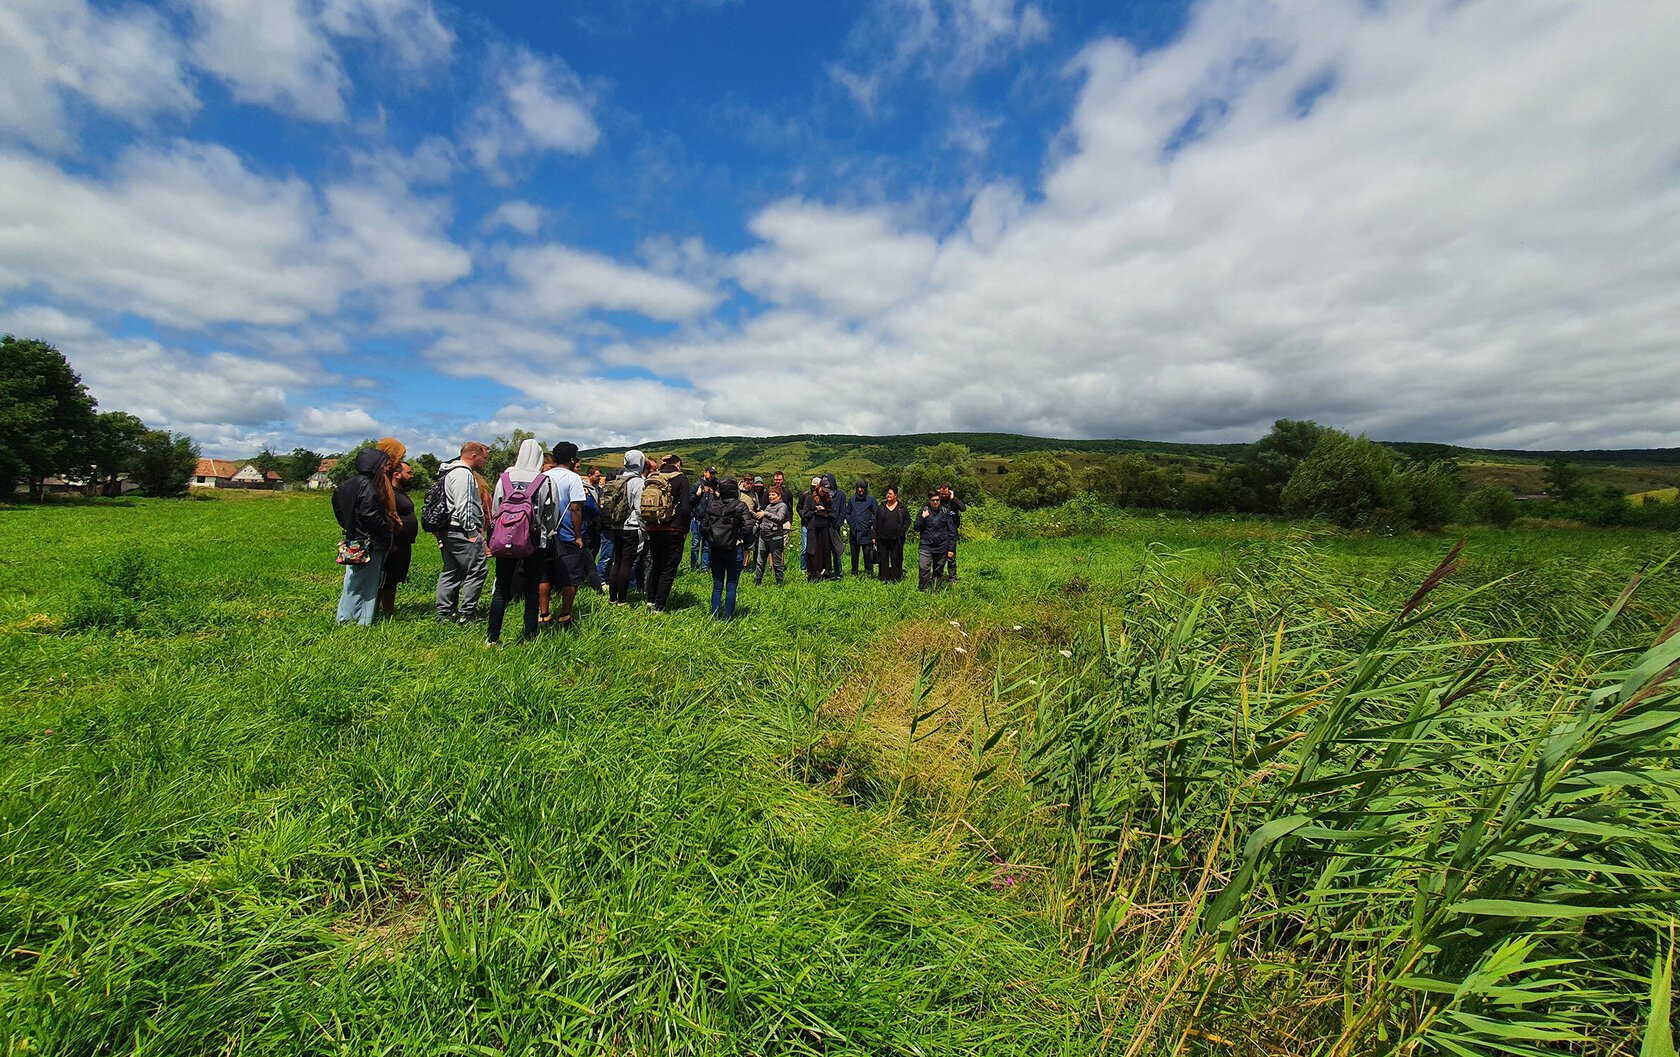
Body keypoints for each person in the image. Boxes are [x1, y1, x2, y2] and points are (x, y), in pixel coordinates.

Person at [484, 439, 558, 646]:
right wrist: (546, 530)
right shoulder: (545, 480)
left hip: (506, 538)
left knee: (501, 589)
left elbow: (496, 509)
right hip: (535, 539)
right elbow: (552, 512)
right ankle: (529, 636)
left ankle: (492, 637)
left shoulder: (504, 479)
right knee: (532, 589)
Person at [332, 446, 399, 625]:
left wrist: (349, 526)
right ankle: (358, 620)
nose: (387, 469)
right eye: (384, 465)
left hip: (353, 538)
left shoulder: (346, 484)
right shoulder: (366, 485)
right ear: (374, 465)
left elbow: (339, 509)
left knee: (353, 580)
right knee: (366, 583)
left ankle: (346, 616)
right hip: (370, 542)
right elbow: (370, 513)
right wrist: (385, 530)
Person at [435, 441, 490, 624]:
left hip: (450, 530)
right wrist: (471, 532)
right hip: (461, 530)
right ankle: (467, 614)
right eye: (484, 458)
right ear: (474, 456)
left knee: (452, 570)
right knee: (477, 570)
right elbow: (464, 505)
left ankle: (444, 613)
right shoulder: (463, 475)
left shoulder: (450, 472)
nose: (485, 462)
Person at [542, 441, 591, 629]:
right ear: (572, 459)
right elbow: (576, 507)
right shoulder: (573, 478)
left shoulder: (543, 476)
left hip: (545, 534)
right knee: (570, 577)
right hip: (567, 533)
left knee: (544, 575)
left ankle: (544, 615)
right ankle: (565, 615)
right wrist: (578, 536)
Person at [642, 454, 693, 614]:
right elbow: (685, 508)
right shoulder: (681, 479)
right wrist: (685, 530)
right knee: (668, 568)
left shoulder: (653, 477)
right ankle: (659, 606)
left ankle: (650, 601)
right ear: (678, 464)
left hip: (653, 526)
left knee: (655, 565)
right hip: (673, 528)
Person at [700, 476, 754, 619]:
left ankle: (715, 617)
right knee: (731, 585)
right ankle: (729, 617)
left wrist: (711, 540)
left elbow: (703, 527)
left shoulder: (712, 505)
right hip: (734, 549)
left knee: (717, 585)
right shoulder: (740, 506)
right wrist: (743, 541)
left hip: (715, 549)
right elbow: (748, 528)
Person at [377, 457, 419, 617]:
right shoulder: (390, 493)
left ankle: (389, 611)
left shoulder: (400, 493)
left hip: (404, 543)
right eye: (408, 472)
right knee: (386, 580)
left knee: (393, 580)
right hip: (395, 543)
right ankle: (378, 612)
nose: (412, 475)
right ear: (396, 475)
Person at [607, 450, 649, 606]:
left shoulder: (618, 479)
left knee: (617, 562)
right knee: (626, 563)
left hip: (615, 525)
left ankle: (612, 598)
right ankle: (622, 600)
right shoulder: (638, 482)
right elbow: (639, 510)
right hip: (631, 527)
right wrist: (645, 531)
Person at [914, 490, 958, 592]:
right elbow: (916, 528)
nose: (935, 502)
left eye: (937, 500)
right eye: (933, 500)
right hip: (926, 546)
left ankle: (936, 589)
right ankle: (923, 589)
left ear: (940, 500)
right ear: (929, 501)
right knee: (924, 568)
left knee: (938, 570)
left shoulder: (945, 512)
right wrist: (922, 518)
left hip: (941, 546)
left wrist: (951, 549)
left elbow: (952, 532)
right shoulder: (924, 511)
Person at [798, 476, 835, 582]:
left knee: (825, 550)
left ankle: (825, 572)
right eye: (823, 490)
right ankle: (813, 573)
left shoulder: (829, 499)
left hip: (825, 528)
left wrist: (826, 514)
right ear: (818, 488)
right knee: (813, 551)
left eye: (826, 491)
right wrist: (815, 511)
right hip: (813, 528)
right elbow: (805, 513)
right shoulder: (809, 498)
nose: (824, 493)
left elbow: (834, 514)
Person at [754, 484, 791, 586]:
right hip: (763, 536)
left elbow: (780, 519)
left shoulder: (783, 506)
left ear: (779, 495)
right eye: (770, 494)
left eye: (773, 494)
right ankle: (757, 583)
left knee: (777, 563)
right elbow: (763, 518)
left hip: (775, 537)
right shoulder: (769, 506)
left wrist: (765, 514)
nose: (770, 496)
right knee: (760, 562)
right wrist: (752, 513)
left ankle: (780, 584)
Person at [843, 479, 879, 577]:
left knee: (867, 554)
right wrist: (851, 521)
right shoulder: (852, 500)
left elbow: (877, 514)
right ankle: (854, 572)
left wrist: (870, 522)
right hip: (854, 531)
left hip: (866, 532)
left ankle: (869, 572)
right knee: (854, 555)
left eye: (862, 488)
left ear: (865, 488)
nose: (860, 490)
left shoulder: (871, 500)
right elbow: (847, 512)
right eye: (858, 487)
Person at [874, 485, 910, 584]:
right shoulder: (881, 507)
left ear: (896, 495)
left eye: (890, 493)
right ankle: (883, 578)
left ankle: (896, 578)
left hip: (896, 539)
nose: (888, 495)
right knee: (883, 559)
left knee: (896, 559)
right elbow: (875, 522)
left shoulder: (902, 508)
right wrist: (874, 536)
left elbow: (908, 520)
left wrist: (902, 531)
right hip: (883, 539)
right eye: (887, 493)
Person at [938, 484, 968, 582]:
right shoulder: (937, 501)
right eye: (942, 493)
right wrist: (936, 496)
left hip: (952, 532)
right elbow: (925, 507)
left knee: (951, 557)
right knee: (939, 557)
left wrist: (953, 498)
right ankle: (938, 577)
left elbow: (963, 508)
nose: (943, 496)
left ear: (949, 492)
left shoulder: (953, 501)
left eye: (945, 493)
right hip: (939, 532)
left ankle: (952, 578)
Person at [690, 466, 718, 570]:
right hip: (697, 519)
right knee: (695, 544)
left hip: (710, 520)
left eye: (713, 473)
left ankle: (704, 567)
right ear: (704, 472)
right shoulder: (697, 485)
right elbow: (689, 502)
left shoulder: (715, 486)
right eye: (710, 473)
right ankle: (694, 566)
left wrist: (715, 493)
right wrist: (697, 494)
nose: (712, 475)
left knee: (707, 545)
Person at [821, 473, 845, 579]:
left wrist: (838, 523)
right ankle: (825, 572)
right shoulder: (822, 495)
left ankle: (838, 573)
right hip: (824, 526)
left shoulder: (840, 495)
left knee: (836, 550)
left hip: (835, 526)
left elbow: (843, 510)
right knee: (825, 550)